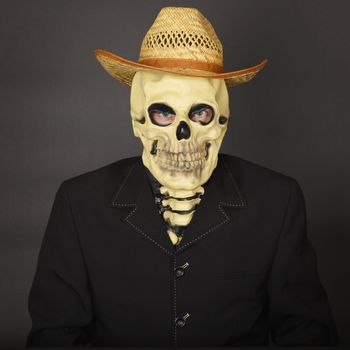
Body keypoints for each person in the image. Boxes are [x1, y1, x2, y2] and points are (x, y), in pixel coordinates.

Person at [26, 6, 338, 347]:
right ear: (137, 120)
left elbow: (307, 334)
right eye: (162, 113)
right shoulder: (81, 203)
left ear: (222, 121)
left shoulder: (276, 201)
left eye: (202, 112)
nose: (183, 133)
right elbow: (55, 335)